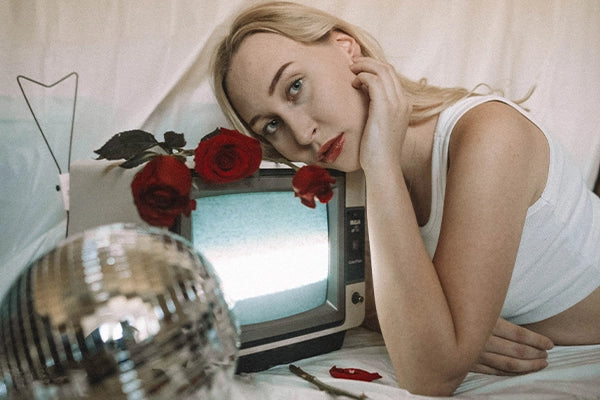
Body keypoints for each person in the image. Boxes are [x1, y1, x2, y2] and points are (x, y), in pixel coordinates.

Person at [210, 1, 600, 396]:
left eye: (295, 86)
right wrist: (434, 333)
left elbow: (431, 376)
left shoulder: (490, 136)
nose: (301, 133)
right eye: (271, 125)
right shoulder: (349, 182)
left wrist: (381, 163)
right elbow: (383, 315)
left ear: (346, 49)